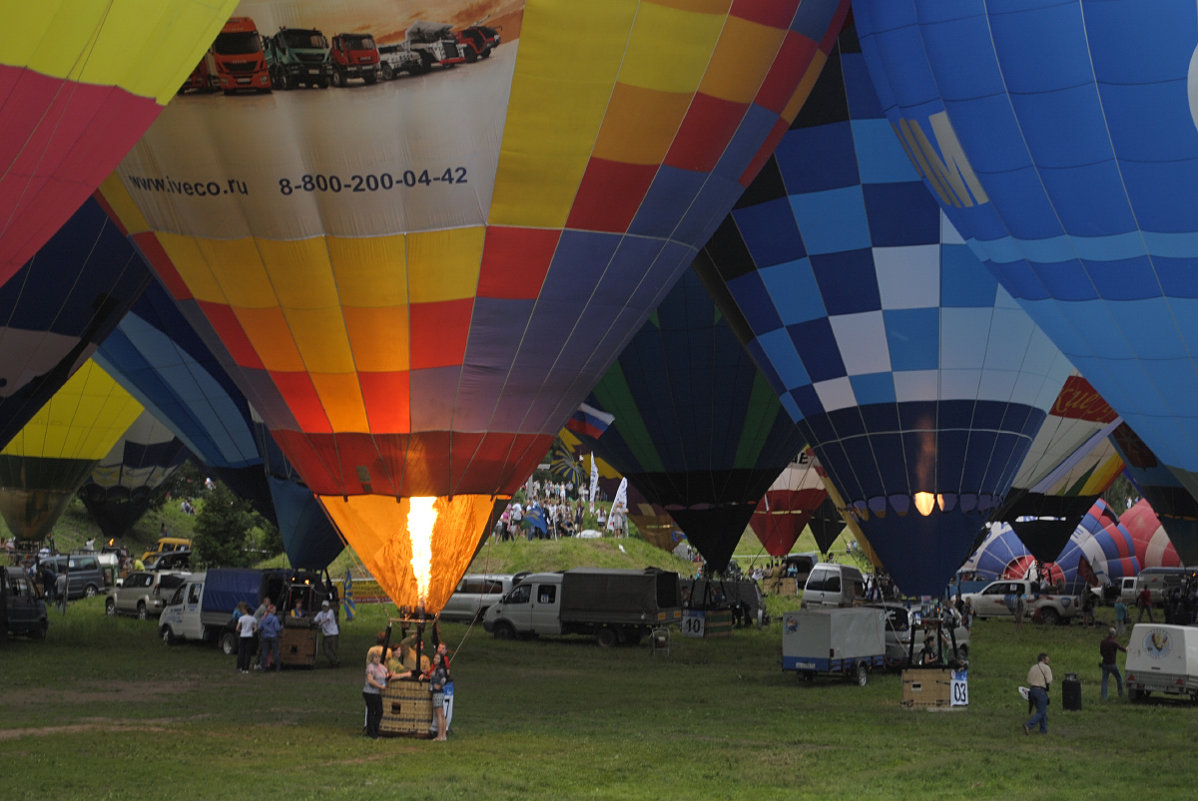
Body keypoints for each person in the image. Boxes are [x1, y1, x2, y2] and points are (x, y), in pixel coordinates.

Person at [424, 642, 449, 741]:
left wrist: (438, 686)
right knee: (442, 714)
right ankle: (443, 735)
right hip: (439, 693)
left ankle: (440, 735)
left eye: (438, 658)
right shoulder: (436, 669)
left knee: (439, 714)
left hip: (437, 693)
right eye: (435, 658)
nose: (435, 660)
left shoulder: (440, 669)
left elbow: (444, 679)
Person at [1023, 652, 1052, 735]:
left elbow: (1028, 679)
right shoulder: (1046, 668)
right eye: (1047, 658)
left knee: (1041, 710)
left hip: (1032, 690)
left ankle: (1043, 730)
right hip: (1040, 690)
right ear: (1043, 659)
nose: (1048, 660)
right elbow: (1049, 680)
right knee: (1041, 712)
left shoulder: (1033, 667)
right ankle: (1028, 725)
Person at [362, 646, 387, 739]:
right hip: (370, 692)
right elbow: (370, 680)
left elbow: (387, 675)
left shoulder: (382, 667)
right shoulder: (371, 667)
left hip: (377, 693)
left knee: (379, 711)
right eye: (375, 657)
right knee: (372, 711)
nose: (377, 659)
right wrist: (380, 686)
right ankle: (371, 732)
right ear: (372, 658)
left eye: (378, 657)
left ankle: (375, 730)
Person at [1099, 627, 1127, 700]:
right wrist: (1127, 648)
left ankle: (1103, 697)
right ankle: (1121, 694)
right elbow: (1123, 649)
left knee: (1104, 680)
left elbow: (1101, 652)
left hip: (1105, 664)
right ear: (1113, 634)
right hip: (1112, 664)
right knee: (1119, 678)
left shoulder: (1103, 642)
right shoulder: (1114, 642)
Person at [313, 600, 340, 668]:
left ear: (328, 607)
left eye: (326, 606)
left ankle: (334, 663)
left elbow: (327, 619)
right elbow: (315, 620)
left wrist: (320, 623)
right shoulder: (320, 613)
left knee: (333, 649)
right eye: (323, 607)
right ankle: (335, 661)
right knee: (326, 650)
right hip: (326, 634)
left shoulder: (330, 612)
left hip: (333, 633)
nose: (324, 608)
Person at [258, 604, 282, 671]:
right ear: (272, 610)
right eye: (274, 610)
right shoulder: (275, 618)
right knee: (275, 652)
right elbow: (277, 628)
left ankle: (263, 667)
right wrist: (281, 628)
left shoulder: (263, 618)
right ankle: (278, 667)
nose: (275, 611)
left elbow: (260, 627)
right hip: (273, 637)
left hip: (265, 636)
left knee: (265, 652)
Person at [235, 602, 257, 674]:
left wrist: (241, 630)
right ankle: (246, 669)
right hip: (249, 636)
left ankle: (239, 667)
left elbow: (237, 628)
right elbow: (255, 629)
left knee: (241, 651)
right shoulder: (253, 618)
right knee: (248, 653)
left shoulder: (241, 618)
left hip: (242, 636)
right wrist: (252, 631)